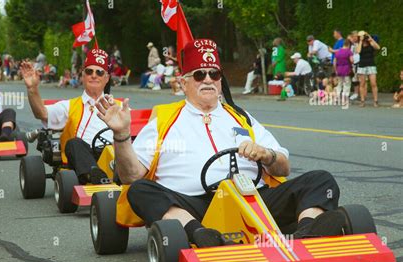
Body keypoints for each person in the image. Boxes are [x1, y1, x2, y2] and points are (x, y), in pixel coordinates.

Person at [96, 38, 347, 248]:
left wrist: (267, 155)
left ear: (219, 80)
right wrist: (121, 134)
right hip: (195, 205)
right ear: (183, 83)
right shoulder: (164, 119)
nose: (207, 79)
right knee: (140, 190)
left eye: (213, 73)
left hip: (253, 199)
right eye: (199, 74)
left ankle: (306, 235)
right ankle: (199, 235)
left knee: (320, 179)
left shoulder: (241, 117)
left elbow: (283, 168)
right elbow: (131, 175)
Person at [20, 48, 114, 185]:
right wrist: (32, 89)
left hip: (115, 156)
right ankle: (93, 175)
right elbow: (41, 113)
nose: (94, 75)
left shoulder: (119, 107)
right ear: (83, 76)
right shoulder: (68, 106)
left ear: (106, 78)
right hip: (84, 157)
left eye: (99, 72)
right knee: (74, 143)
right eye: (89, 71)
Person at [356, 31, 381, 107]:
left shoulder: (371, 43)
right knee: (362, 84)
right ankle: (362, 101)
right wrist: (360, 41)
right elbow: (358, 51)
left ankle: (375, 101)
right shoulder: (359, 44)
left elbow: (378, 47)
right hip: (362, 65)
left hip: (371, 65)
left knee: (373, 83)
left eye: (364, 36)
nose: (363, 37)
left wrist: (371, 39)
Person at [333, 39, 354, 105]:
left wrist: (335, 70)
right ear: (349, 45)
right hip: (347, 69)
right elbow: (352, 60)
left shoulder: (338, 51)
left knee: (339, 84)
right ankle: (344, 100)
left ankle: (337, 98)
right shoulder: (349, 51)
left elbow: (334, 62)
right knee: (347, 85)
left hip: (339, 69)